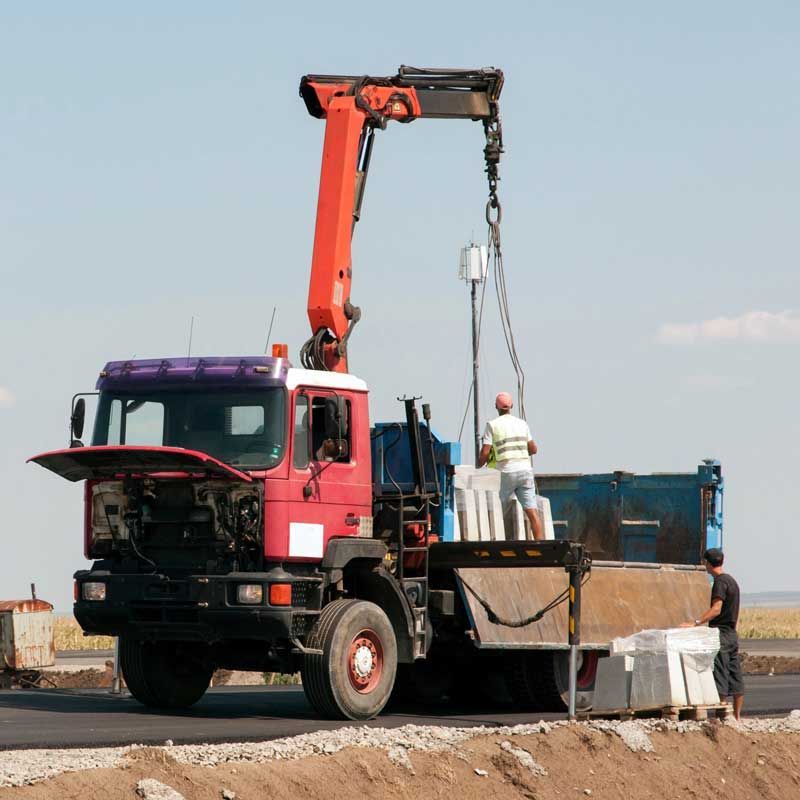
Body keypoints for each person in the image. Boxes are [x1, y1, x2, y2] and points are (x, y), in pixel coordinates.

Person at [680, 547, 744, 720]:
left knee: (721, 673)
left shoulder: (720, 583)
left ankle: (721, 716)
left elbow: (716, 609)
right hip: (732, 634)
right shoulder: (732, 581)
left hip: (721, 634)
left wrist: (696, 623)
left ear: (708, 563)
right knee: (735, 674)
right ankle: (737, 717)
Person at [476, 391, 543, 541]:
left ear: (496, 407)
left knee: (496, 509)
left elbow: (485, 453)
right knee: (532, 512)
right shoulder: (522, 423)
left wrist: (478, 466)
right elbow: (533, 449)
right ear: (511, 406)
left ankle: (499, 542)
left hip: (505, 472)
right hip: (525, 471)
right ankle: (541, 544)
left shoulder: (492, 425)